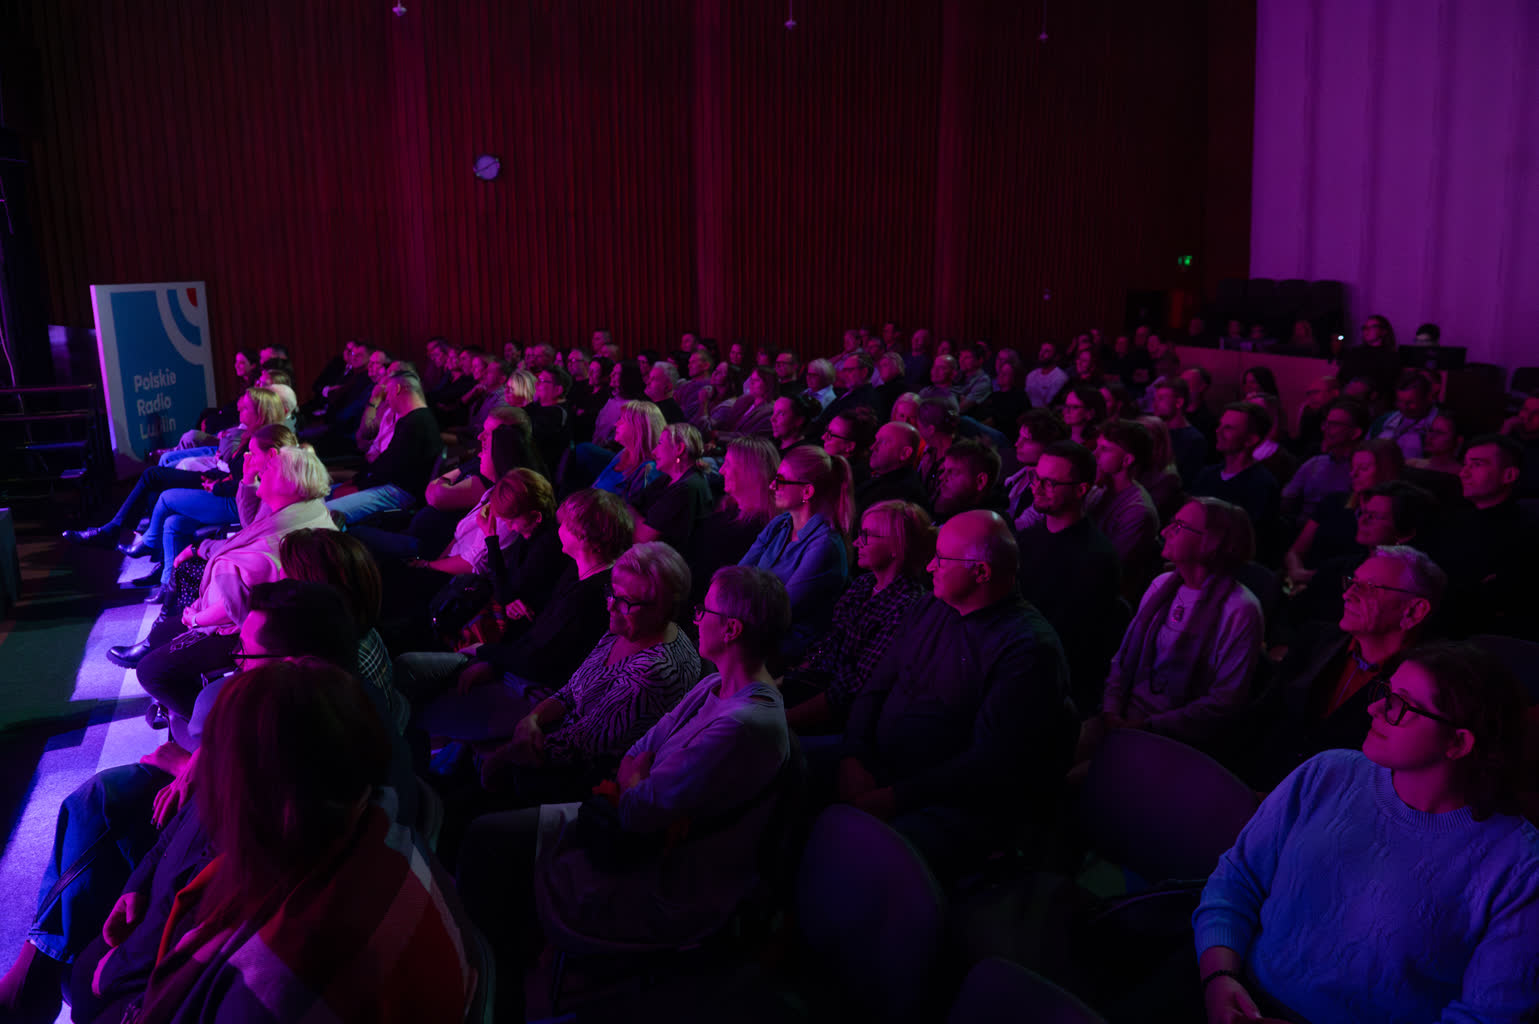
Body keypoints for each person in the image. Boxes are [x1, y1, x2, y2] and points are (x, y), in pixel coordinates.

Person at [457, 566, 793, 1022]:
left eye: (704, 611)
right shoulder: (716, 683)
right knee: (487, 836)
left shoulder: (744, 725)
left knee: (488, 845)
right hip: (630, 826)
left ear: (731, 629)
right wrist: (639, 776)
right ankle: (495, 973)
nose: (696, 619)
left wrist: (638, 778)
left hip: (660, 868)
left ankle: (490, 997)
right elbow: (639, 752)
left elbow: (637, 810)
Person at [1195, 643, 1539, 1024]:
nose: (1374, 708)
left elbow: (1486, 1016)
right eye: (1385, 692)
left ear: (1458, 743)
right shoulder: (1326, 773)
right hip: (1232, 986)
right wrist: (1219, 978)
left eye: (1400, 705)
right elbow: (1236, 880)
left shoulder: (1519, 866)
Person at [124, 660, 470, 1023]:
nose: (201, 781)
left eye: (215, 767)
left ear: (262, 795)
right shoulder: (376, 825)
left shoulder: (273, 982)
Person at [837, 510, 1074, 879]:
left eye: (941, 559)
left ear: (981, 572)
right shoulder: (931, 605)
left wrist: (893, 797)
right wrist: (853, 755)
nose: (929, 566)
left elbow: (986, 764)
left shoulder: (1027, 649)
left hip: (946, 801)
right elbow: (876, 685)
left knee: (858, 856)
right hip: (877, 765)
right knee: (786, 766)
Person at [112, 446, 337, 720]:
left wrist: (198, 619)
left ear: (290, 483)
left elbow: (243, 601)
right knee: (161, 634)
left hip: (253, 632)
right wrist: (248, 480)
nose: (262, 469)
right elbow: (248, 528)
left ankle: (213, 727)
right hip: (240, 614)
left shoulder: (290, 537)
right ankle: (184, 699)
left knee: (150, 672)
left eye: (270, 468)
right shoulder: (294, 511)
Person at [477, 542, 702, 806]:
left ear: (661, 608)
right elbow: (573, 688)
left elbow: (580, 746)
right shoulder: (628, 627)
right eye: (611, 593)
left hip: (583, 783)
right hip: (556, 741)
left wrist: (502, 756)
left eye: (624, 601)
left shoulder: (653, 672)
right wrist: (532, 719)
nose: (610, 606)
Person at [399, 489, 633, 740]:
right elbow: (534, 634)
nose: (559, 529)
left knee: (420, 711)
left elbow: (540, 662)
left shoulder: (591, 596)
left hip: (532, 690)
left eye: (565, 524)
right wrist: (493, 660)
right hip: (512, 665)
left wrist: (484, 653)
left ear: (583, 537)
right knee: (407, 666)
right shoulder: (577, 571)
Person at [1243, 545, 1445, 790]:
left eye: (1368, 587)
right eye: (1352, 582)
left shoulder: (1423, 686)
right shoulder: (1314, 640)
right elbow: (1261, 717)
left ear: (1414, 611)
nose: (1348, 595)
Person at [1082, 498, 1263, 753]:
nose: (1165, 531)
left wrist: (1145, 726)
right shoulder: (1161, 585)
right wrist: (1111, 710)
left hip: (1174, 739)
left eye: (1178, 526)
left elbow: (1224, 701)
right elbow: (1122, 659)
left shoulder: (1240, 609)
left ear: (1211, 542)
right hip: (1120, 715)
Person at [784, 500, 932, 734]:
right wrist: (786, 680)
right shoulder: (864, 584)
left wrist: (784, 720)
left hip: (847, 717)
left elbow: (853, 688)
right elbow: (829, 644)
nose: (856, 542)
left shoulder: (907, 606)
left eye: (866, 536)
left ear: (897, 545)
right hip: (818, 685)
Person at [1015, 442, 1124, 712]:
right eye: (1037, 478)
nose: (1037, 488)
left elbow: (1073, 639)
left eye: (1050, 483)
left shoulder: (1096, 557)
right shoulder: (1027, 539)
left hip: (1050, 679)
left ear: (1081, 489)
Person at [739, 444, 853, 660]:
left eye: (781, 480)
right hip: (754, 627)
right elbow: (739, 574)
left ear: (807, 491)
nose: (772, 486)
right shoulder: (781, 524)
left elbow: (781, 610)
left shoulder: (825, 546)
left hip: (788, 648)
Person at [1433, 434, 1539, 638]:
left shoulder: (1526, 531)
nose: (1464, 473)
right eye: (1465, 464)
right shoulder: (1453, 520)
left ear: (1509, 475)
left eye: (1477, 464)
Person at [1283, 438, 1403, 591]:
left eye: (1363, 468)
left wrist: (1311, 578)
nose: (1354, 474)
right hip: (1303, 582)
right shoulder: (1333, 502)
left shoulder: (1390, 516)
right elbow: (1295, 551)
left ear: (1386, 471)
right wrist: (1297, 572)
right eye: (1353, 467)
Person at [326, 371, 442, 525]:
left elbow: (389, 469)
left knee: (325, 513)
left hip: (399, 493)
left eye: (387, 392)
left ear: (397, 389)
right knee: (322, 496)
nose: (386, 399)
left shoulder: (416, 422)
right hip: (392, 486)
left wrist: (359, 482)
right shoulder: (417, 418)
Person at [689, 436, 779, 602]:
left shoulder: (757, 528)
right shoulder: (729, 508)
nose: (722, 470)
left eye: (728, 464)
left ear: (749, 472)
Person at [1086, 419, 1161, 583]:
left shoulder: (1137, 510)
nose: (1095, 454)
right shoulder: (1098, 490)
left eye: (1104, 449)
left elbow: (1111, 567)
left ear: (1127, 460)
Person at [1188, 403, 1281, 533]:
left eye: (1228, 428)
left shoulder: (1262, 485)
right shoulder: (1207, 474)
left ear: (1250, 440)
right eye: (1220, 425)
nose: (1218, 431)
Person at [1280, 398, 1367, 522]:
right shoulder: (1315, 463)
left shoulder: (1362, 469)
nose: (1325, 429)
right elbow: (1287, 499)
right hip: (1301, 526)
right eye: (1326, 423)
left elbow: (1352, 511)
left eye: (1334, 424)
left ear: (1355, 433)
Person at [634, 422, 712, 550]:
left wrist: (628, 514)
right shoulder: (667, 479)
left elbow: (643, 537)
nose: (654, 452)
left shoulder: (686, 489)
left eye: (660, 444)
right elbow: (634, 504)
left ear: (679, 449)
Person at [1002, 409, 1068, 526]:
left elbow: (1024, 524)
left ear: (1049, 445)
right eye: (1020, 437)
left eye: (1027, 440)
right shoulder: (1020, 474)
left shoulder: (1050, 487)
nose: (1017, 444)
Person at [592, 400, 664, 504]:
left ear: (638, 428)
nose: (616, 424)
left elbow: (629, 510)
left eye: (622, 420)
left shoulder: (648, 469)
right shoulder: (625, 452)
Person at [855, 420, 927, 517]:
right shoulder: (869, 474)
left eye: (883, 442)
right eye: (876, 440)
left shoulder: (899, 497)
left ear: (905, 453)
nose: (873, 447)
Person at [1370, 369, 1440, 460]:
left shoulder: (1441, 425)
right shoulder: (1383, 420)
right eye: (1400, 401)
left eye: (1410, 403)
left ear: (1427, 398)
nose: (1403, 407)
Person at [933, 438, 1003, 522]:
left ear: (981, 481)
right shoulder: (949, 508)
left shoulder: (985, 525)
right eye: (944, 470)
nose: (941, 477)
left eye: (953, 472)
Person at [1026, 342, 1070, 410]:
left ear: (1056, 357)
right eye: (1041, 350)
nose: (1041, 354)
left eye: (1047, 351)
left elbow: (1050, 403)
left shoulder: (1060, 377)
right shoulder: (1031, 375)